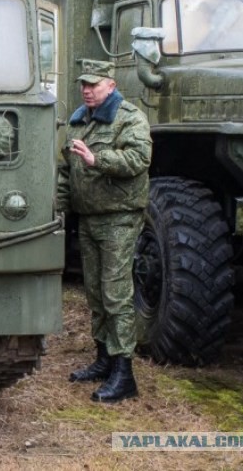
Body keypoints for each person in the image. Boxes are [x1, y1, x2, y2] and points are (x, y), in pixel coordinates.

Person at [56, 59, 152, 403]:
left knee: (116, 294)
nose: (86, 89)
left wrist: (98, 160)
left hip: (119, 218)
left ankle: (124, 374)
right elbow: (65, 171)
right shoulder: (80, 120)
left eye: (93, 84)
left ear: (110, 85)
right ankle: (104, 359)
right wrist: (60, 210)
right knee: (95, 293)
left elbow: (139, 159)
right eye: (83, 84)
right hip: (89, 218)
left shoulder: (129, 117)